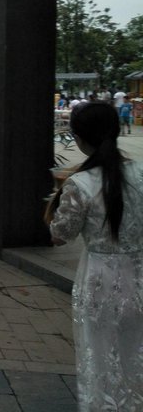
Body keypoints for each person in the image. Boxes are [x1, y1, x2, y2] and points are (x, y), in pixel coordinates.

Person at [46, 102, 143, 409]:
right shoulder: (140, 172)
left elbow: (61, 234)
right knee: (136, 348)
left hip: (100, 277)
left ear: (79, 138)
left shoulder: (81, 183)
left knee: (100, 351)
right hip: (139, 271)